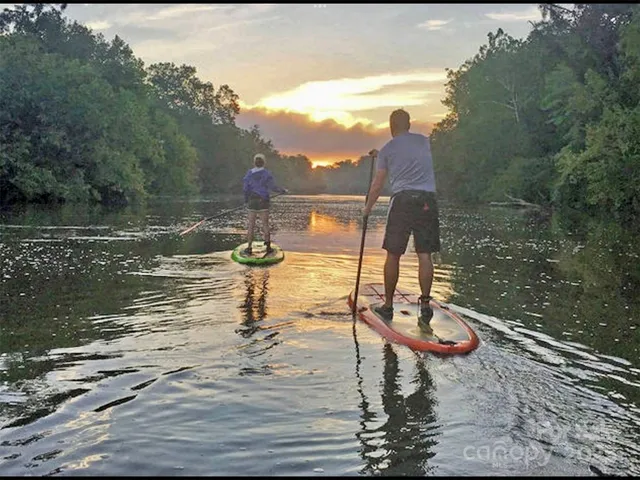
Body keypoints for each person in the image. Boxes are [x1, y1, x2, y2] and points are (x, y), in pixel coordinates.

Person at [362, 109, 440, 331]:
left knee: (393, 254)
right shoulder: (424, 142)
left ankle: (387, 306)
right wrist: (382, 154)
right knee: (425, 254)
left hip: (403, 200)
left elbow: (377, 184)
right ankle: (425, 304)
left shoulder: (388, 149)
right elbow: (407, 152)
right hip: (427, 201)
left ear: (390, 126)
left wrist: (367, 209)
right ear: (409, 124)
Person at [242, 153, 287, 255]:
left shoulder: (249, 174)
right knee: (265, 225)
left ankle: (249, 247)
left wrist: (246, 201)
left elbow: (245, 189)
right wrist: (282, 190)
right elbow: (273, 187)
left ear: (254, 162)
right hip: (263, 201)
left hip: (252, 201)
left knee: (251, 225)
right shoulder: (267, 173)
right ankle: (268, 248)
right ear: (264, 163)